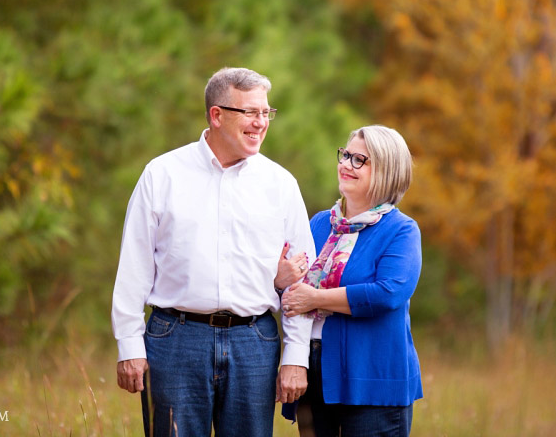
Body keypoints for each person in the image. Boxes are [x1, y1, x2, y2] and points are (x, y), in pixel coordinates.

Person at [111, 67, 316, 437]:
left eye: (266, 113)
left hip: (255, 342)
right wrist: (129, 344)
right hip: (175, 339)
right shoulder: (162, 175)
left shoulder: (281, 184)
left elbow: (304, 282)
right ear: (217, 115)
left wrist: (296, 356)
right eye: (250, 112)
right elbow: (134, 267)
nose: (261, 123)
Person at [281, 125, 423, 437]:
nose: (346, 164)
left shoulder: (401, 230)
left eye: (360, 160)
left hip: (372, 378)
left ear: (387, 170)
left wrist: (316, 299)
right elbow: (291, 283)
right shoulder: (320, 223)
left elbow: (388, 293)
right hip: (317, 372)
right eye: (345, 155)